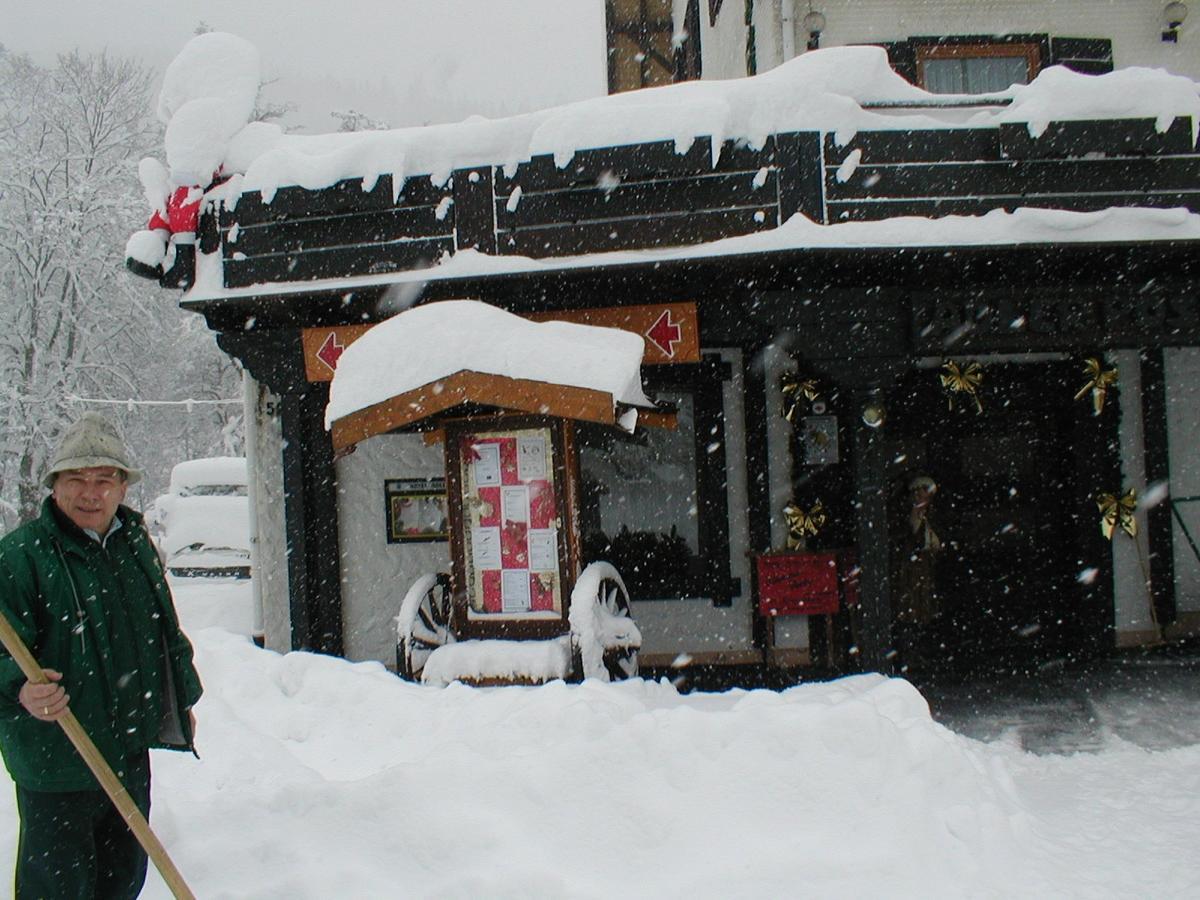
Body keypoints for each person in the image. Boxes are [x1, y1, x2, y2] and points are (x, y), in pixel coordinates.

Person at [0, 413, 203, 899]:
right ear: (54, 487)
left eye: (103, 480)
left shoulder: (135, 546)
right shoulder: (22, 556)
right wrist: (20, 686)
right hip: (57, 762)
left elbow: (163, 632)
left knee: (121, 882)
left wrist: (181, 701)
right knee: (58, 890)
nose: (90, 493)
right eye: (76, 480)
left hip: (127, 755)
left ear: (123, 488)